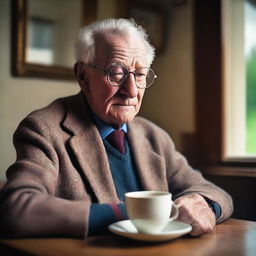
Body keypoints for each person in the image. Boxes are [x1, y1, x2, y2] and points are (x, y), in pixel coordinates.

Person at [0, 18, 233, 238]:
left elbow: (213, 192)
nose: (131, 91)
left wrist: (204, 204)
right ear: (83, 76)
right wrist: (130, 214)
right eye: (117, 73)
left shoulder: (154, 136)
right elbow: (16, 208)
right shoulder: (44, 128)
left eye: (140, 75)